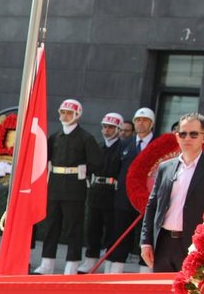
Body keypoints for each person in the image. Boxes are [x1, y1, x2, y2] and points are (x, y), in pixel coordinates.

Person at [140, 113, 204, 273]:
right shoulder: (165, 167)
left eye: (193, 134)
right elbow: (152, 206)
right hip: (163, 244)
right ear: (177, 137)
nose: (187, 138)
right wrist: (146, 242)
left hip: (196, 246)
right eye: (183, 134)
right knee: (161, 289)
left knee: (189, 290)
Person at [32, 99, 94, 275]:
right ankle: (47, 263)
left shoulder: (86, 138)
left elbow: (96, 162)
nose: (65, 116)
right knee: (51, 226)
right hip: (55, 187)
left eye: (69, 113)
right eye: (63, 112)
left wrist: (84, 172)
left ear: (77, 115)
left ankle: (72, 264)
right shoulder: (54, 137)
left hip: (75, 188)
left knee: (73, 227)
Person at [109, 107, 156, 273]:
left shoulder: (157, 145)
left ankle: (145, 270)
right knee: (120, 232)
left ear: (152, 123)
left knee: (147, 236)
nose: (140, 123)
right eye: (138, 120)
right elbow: (115, 169)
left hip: (148, 198)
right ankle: (116, 269)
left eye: (145, 120)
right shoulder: (124, 144)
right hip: (124, 197)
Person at [83, 113, 125, 272]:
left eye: (111, 127)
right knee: (92, 227)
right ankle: (90, 259)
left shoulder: (122, 148)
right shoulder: (98, 146)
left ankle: (108, 259)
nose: (107, 130)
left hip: (113, 192)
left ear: (118, 129)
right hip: (96, 190)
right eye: (105, 127)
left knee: (111, 228)